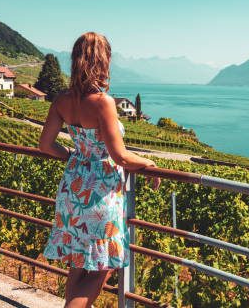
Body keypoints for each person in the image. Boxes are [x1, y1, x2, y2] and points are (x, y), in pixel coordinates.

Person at [38, 32, 160, 308]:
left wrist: (73, 155)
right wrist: (148, 163)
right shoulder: (103, 102)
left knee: (79, 263)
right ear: (103, 61)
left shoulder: (61, 100)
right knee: (104, 265)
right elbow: (119, 155)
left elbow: (45, 145)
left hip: (72, 188)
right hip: (101, 193)